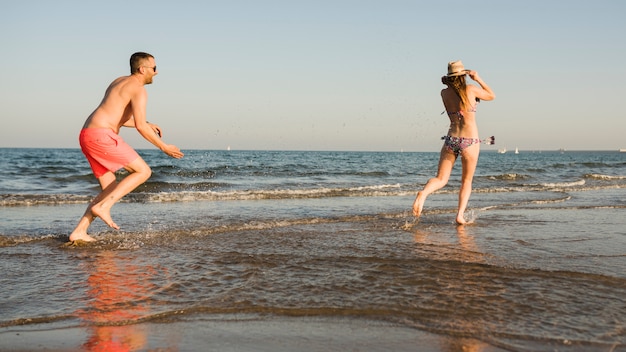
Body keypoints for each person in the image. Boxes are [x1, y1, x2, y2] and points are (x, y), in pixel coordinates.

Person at [69, 52, 184, 242]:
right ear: (142, 69)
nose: (156, 72)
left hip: (87, 135)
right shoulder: (139, 90)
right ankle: (104, 207)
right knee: (143, 171)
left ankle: (79, 231)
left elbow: (117, 115)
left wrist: (147, 122)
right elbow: (139, 126)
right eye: (154, 68)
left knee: (110, 188)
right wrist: (164, 147)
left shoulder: (118, 81)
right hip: (101, 136)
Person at [412, 61, 495, 225]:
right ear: (463, 75)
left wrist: (447, 81)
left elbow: (451, 89)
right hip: (470, 141)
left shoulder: (444, 93)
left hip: (451, 140)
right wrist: (477, 78)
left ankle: (423, 193)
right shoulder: (470, 89)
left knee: (441, 179)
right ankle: (459, 215)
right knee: (466, 181)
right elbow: (491, 95)